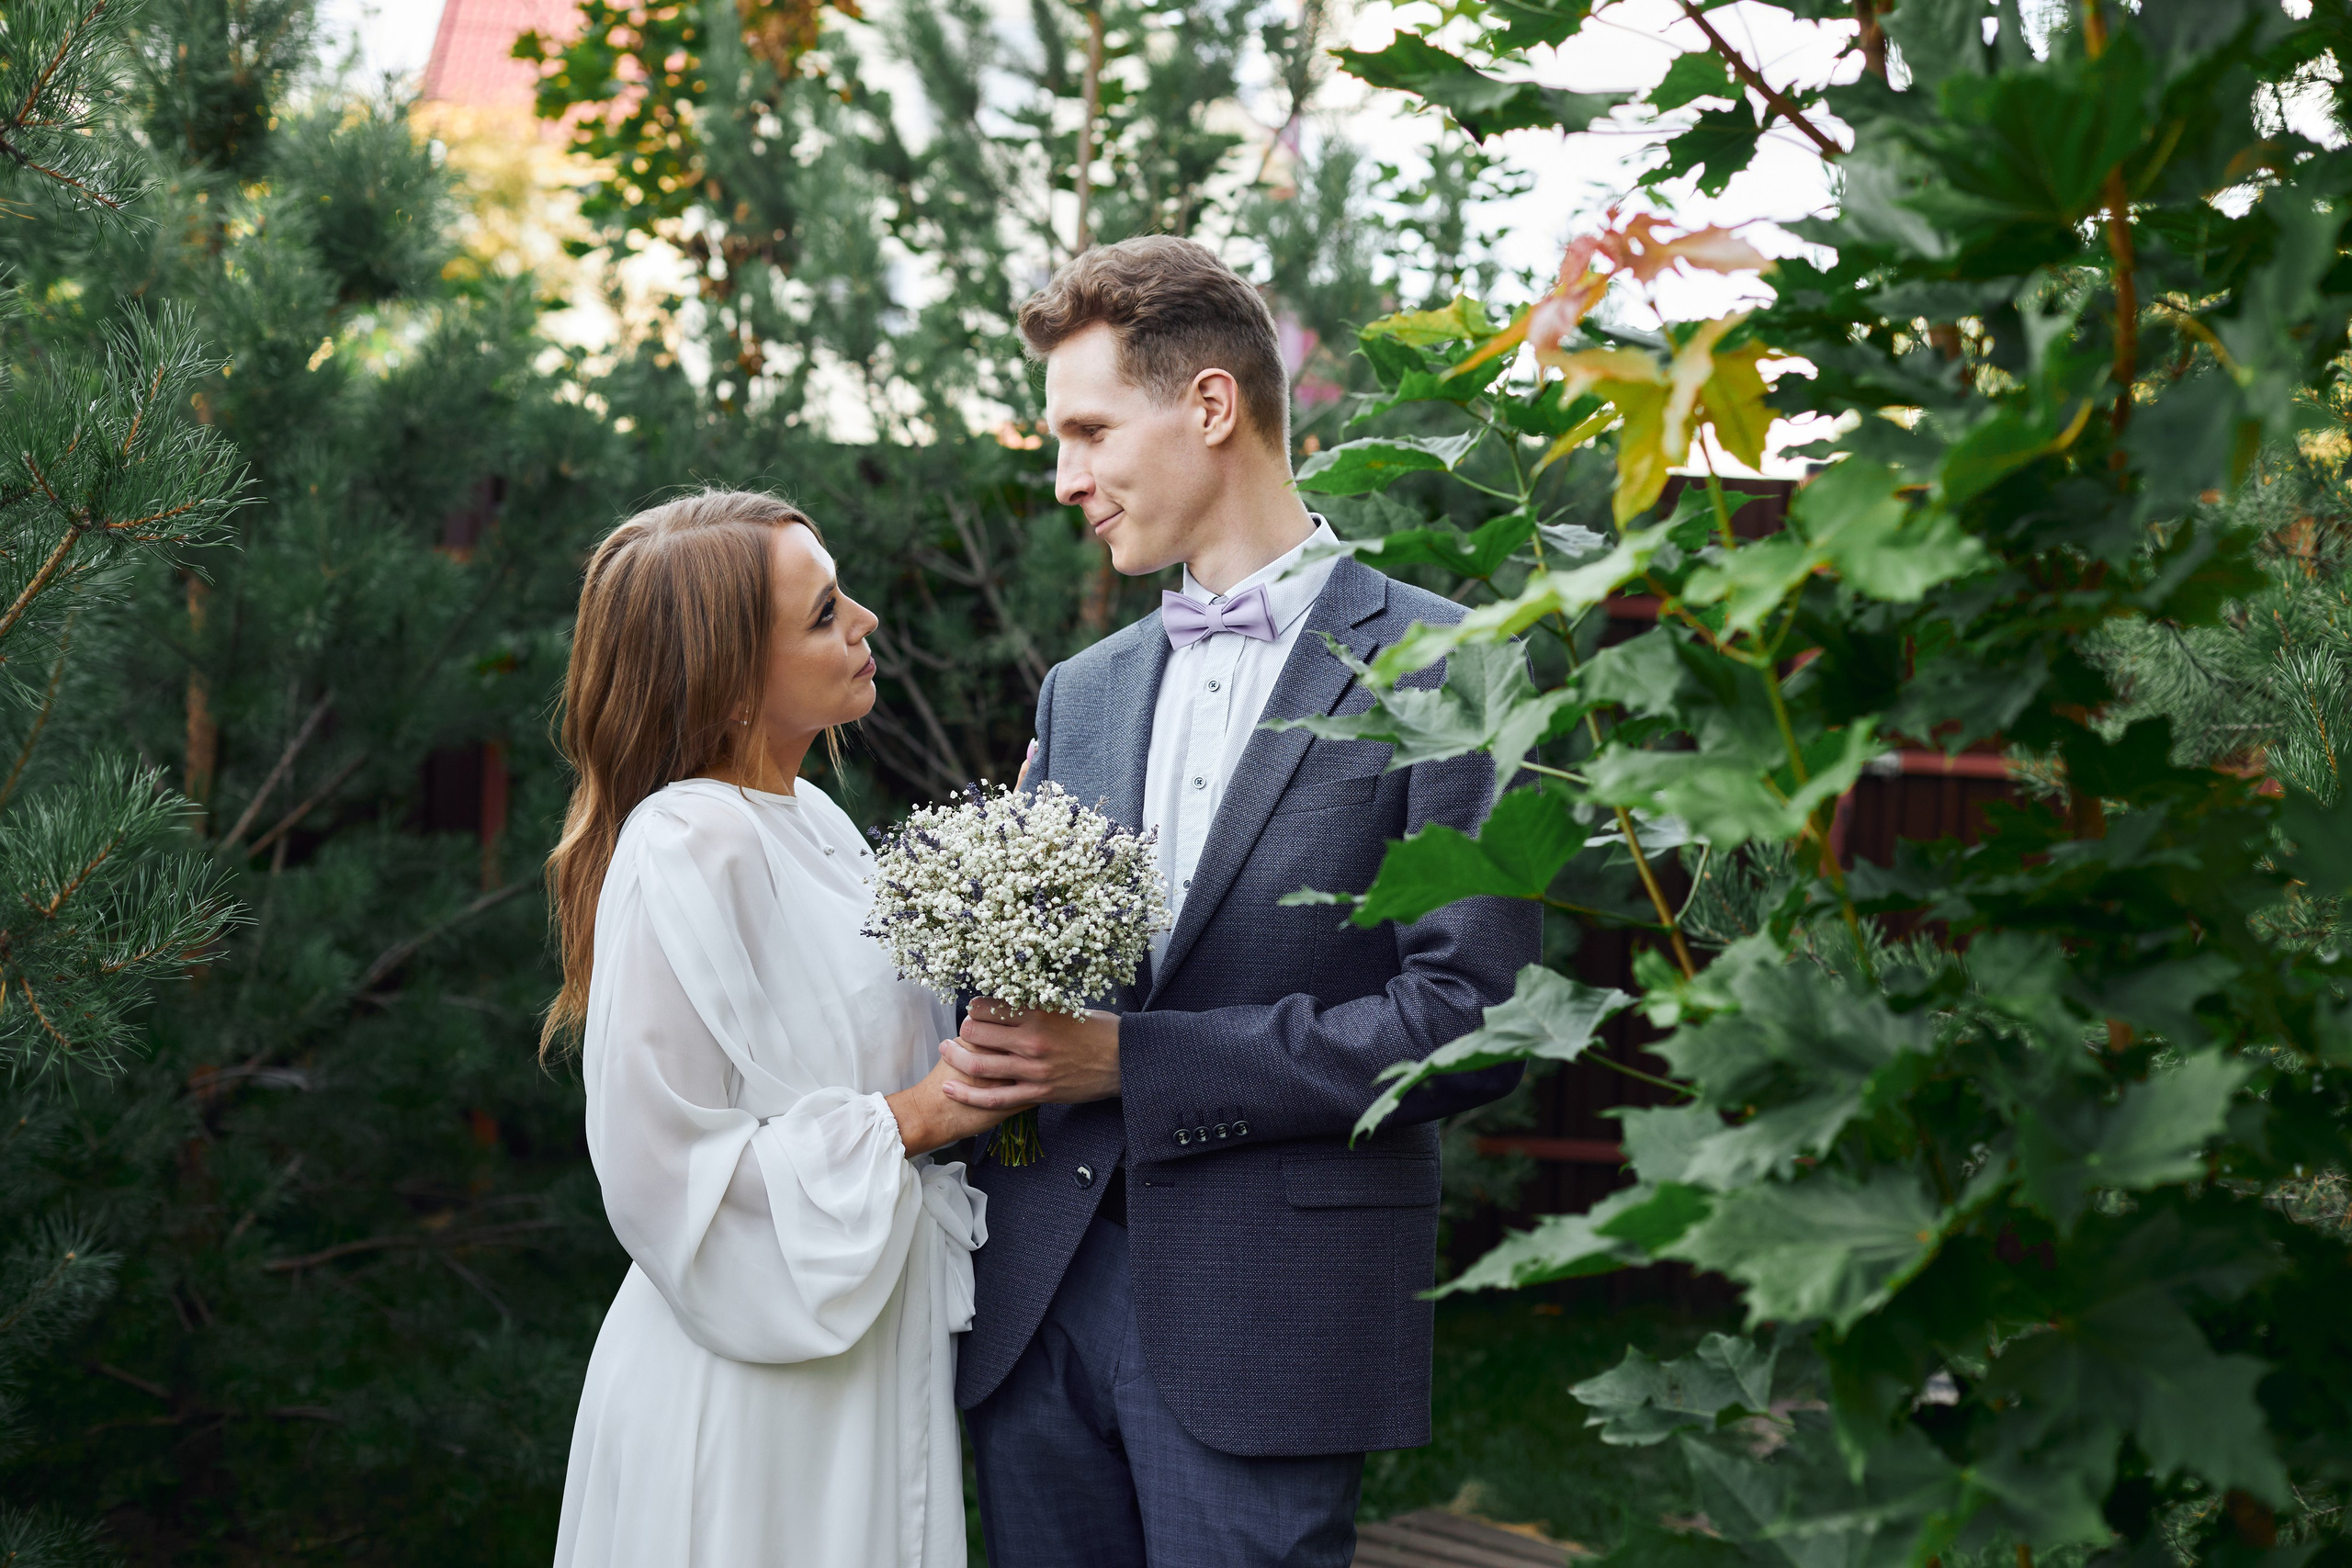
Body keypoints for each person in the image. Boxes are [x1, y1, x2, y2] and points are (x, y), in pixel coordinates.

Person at [940, 236, 1542, 1568]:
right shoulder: (1079, 690)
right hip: (1035, 1306)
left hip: (1270, 1320)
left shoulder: (1446, 666)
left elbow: (1475, 1013)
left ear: (1211, 406)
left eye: (1089, 430)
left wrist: (1130, 1061)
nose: (1065, 479)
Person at [543, 490, 1004, 1568]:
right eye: (823, 613)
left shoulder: (821, 823)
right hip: (748, 1385)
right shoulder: (684, 848)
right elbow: (661, 1169)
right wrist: (916, 1117)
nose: (867, 623)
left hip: (861, 1361)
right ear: (729, 676)